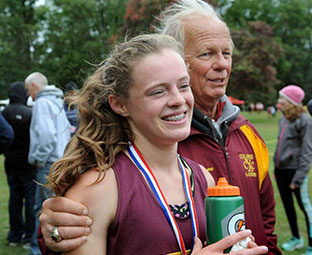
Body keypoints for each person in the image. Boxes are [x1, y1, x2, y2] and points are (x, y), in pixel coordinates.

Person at [38, 0, 281, 254]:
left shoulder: (204, 175)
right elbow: (58, 236)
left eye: (182, 85)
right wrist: (49, 236)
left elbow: (264, 224)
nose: (178, 100)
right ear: (120, 104)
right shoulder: (99, 188)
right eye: (157, 91)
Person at [25, 72, 71, 255]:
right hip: (61, 161)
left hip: (48, 163)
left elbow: (46, 135)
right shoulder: (57, 101)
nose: (29, 95)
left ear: (35, 86)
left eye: (29, 90)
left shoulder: (42, 103)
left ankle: (38, 250)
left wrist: (39, 159)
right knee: (55, 208)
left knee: (42, 210)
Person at [273, 85, 312, 255]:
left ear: (290, 101)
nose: (278, 101)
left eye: (281, 98)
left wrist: (298, 179)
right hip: (281, 171)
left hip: (296, 171)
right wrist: (277, 167)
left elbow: (307, 151)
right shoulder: (284, 117)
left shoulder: (305, 120)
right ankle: (296, 238)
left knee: (306, 208)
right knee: (288, 206)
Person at [1, 82, 37, 249]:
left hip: (10, 162)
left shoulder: (4, 113)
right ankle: (29, 236)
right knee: (30, 200)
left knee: (14, 199)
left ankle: (15, 235)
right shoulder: (29, 113)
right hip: (28, 164)